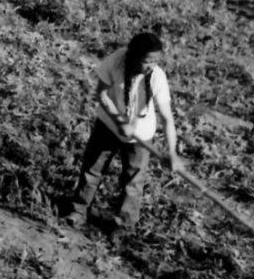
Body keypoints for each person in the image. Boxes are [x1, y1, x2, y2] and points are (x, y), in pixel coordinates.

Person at [65, 33, 182, 228]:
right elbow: (101, 94)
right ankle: (78, 211)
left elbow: (167, 118)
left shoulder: (157, 77)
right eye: (146, 61)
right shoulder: (116, 61)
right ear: (133, 56)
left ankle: (123, 226)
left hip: (140, 137)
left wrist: (172, 153)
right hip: (108, 126)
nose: (150, 66)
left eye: (155, 62)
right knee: (92, 169)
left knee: (133, 183)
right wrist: (119, 121)